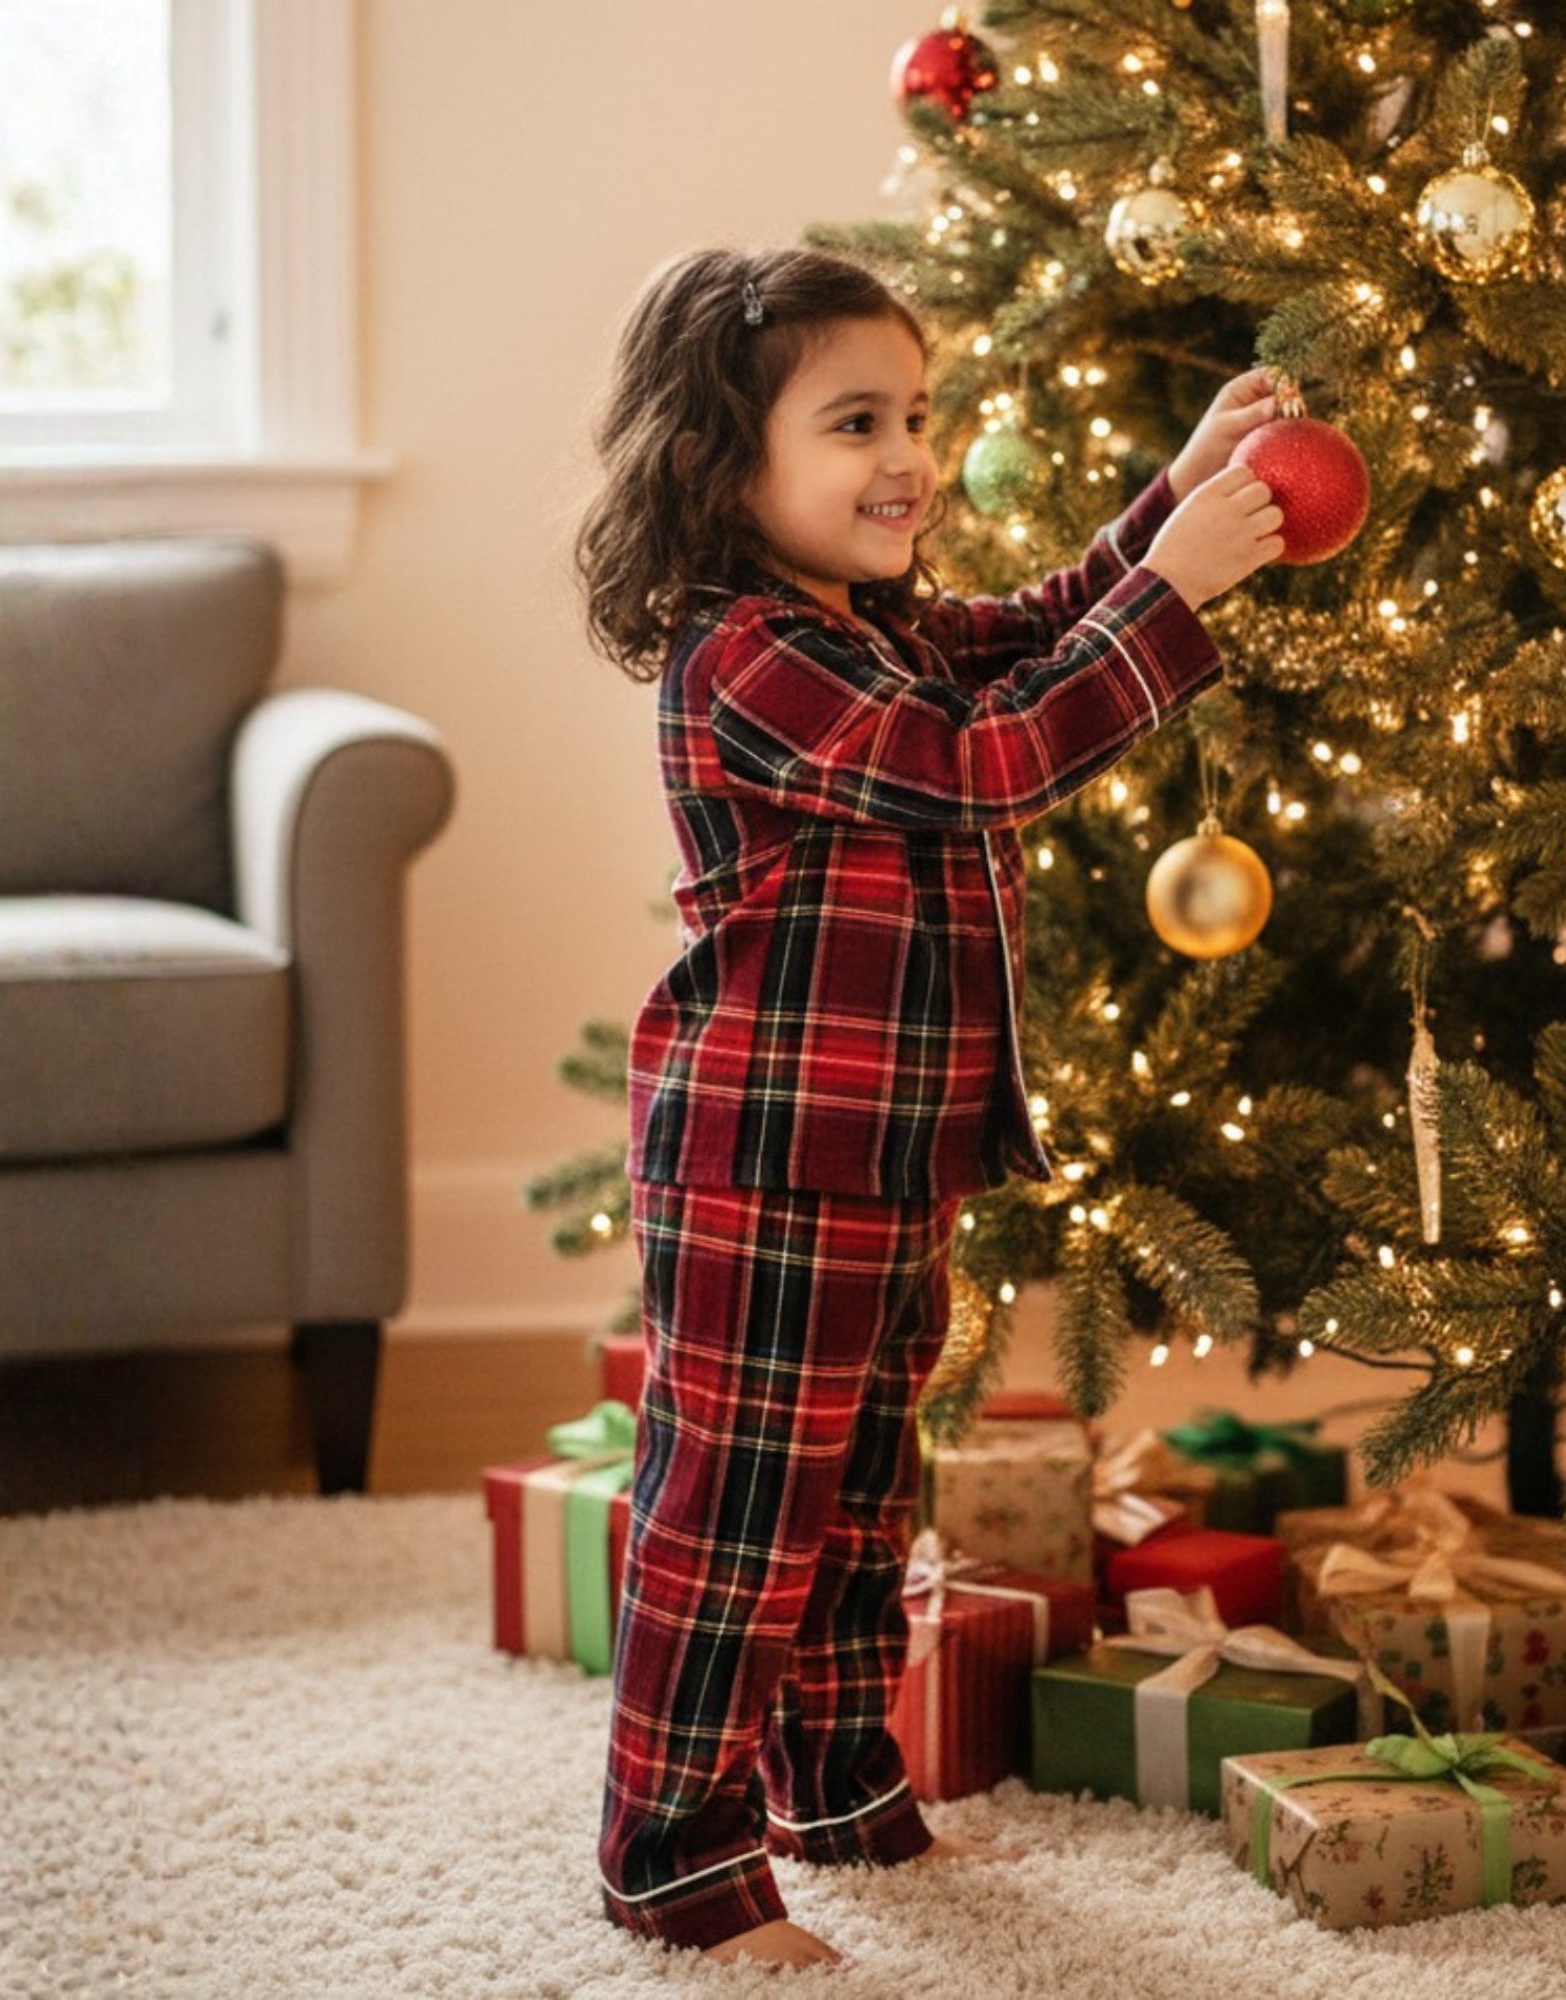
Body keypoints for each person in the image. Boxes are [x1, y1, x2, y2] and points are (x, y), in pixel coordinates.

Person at [573, 244, 1282, 1969]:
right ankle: (672, 1853)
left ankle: (832, 1779)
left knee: (859, 1491)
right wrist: (1175, 601)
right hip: (766, 1159)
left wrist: (1164, 506)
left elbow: (1027, 637)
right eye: (854, 423)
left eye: (918, 414)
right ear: (720, 467)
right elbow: (990, 757)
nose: (908, 457)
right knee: (739, 1504)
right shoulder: (749, 654)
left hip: (884, 1160)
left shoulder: (869, 626)